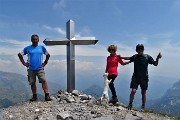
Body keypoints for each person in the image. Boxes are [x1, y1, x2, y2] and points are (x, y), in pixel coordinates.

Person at [121, 44, 162, 110]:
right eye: (138, 49)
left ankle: (143, 107)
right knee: (133, 91)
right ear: (136, 50)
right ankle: (130, 104)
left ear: (143, 50)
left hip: (144, 78)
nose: (140, 50)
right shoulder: (135, 56)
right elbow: (129, 58)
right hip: (135, 77)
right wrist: (121, 57)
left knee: (143, 92)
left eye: (141, 49)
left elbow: (155, 64)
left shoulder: (147, 57)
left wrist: (157, 58)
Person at [18, 34, 51, 101]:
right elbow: (19, 54)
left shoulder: (42, 48)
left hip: (40, 68)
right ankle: (34, 96)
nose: (35, 40)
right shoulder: (27, 48)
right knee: (32, 83)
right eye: (33, 39)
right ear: (31, 40)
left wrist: (45, 62)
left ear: (38, 40)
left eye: (36, 39)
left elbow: (48, 55)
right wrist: (24, 63)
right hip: (31, 69)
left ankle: (47, 95)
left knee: (44, 81)